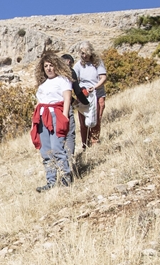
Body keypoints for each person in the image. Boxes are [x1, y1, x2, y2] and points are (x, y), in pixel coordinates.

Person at [31, 51, 73, 192]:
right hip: (42, 117)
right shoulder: (42, 85)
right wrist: (34, 123)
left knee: (57, 148)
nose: (49, 68)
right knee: (46, 151)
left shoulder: (63, 80)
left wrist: (65, 116)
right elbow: (39, 103)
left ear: (57, 66)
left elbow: (67, 98)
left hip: (56, 115)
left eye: (51, 65)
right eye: (46, 66)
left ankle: (66, 177)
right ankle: (51, 181)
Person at [59, 53, 90, 169]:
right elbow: (77, 91)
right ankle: (68, 163)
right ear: (68, 62)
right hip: (65, 107)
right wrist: (86, 103)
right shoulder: (70, 72)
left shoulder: (52, 73)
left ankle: (59, 162)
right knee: (69, 135)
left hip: (52, 108)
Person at [74, 41, 108, 147]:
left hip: (97, 96)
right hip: (84, 96)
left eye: (85, 53)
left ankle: (95, 142)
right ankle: (85, 144)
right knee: (83, 122)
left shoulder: (97, 63)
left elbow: (103, 78)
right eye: (82, 53)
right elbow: (73, 78)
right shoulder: (79, 65)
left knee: (96, 120)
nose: (83, 56)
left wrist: (95, 87)